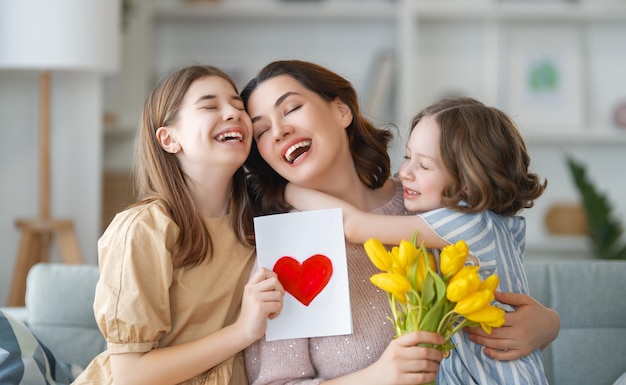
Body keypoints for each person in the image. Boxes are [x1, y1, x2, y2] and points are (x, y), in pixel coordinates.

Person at [240, 60, 558, 384]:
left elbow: (499, 289)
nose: (279, 131)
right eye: (262, 131)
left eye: (291, 108)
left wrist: (548, 324)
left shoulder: (427, 201)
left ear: (341, 110)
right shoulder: (285, 249)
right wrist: (373, 378)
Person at [72, 65, 284, 385]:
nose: (233, 113)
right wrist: (242, 331)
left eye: (239, 106)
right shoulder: (144, 229)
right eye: (210, 106)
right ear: (169, 139)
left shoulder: (257, 220)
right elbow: (131, 375)